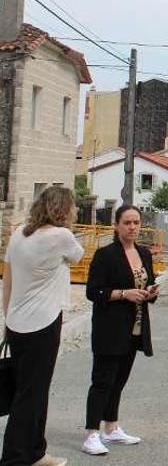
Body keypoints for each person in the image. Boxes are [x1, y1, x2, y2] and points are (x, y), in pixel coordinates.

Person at [1, 186, 83, 466]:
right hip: (44, 323)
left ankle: (37, 451)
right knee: (31, 393)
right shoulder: (61, 236)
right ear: (64, 209)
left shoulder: (18, 234)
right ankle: (15, 457)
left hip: (16, 321)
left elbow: (7, 281)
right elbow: (79, 256)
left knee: (31, 389)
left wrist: (7, 317)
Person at [82, 205, 159, 456]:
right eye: (127, 222)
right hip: (109, 327)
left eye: (136, 222)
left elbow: (149, 283)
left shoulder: (144, 253)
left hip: (135, 328)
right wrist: (123, 294)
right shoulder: (106, 255)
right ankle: (91, 433)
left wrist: (150, 293)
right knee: (103, 380)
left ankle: (111, 427)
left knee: (119, 381)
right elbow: (93, 291)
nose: (132, 227)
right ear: (116, 225)